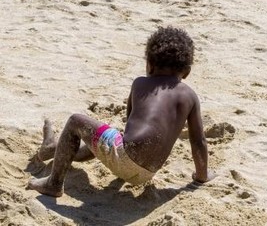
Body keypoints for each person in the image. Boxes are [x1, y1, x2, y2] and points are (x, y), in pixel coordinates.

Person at [27, 26, 215, 197]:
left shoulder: (140, 83)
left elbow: (130, 120)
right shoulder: (190, 96)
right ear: (187, 72)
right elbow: (199, 141)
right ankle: (52, 149)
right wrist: (201, 176)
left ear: (149, 64)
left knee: (76, 121)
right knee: (107, 137)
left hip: (125, 157)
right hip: (147, 172)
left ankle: (54, 183)